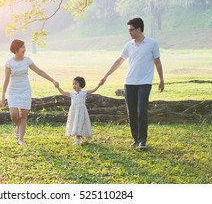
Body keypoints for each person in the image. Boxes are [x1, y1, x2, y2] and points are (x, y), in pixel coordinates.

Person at [100, 17, 164, 150]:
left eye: (131, 30)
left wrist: (161, 79)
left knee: (142, 110)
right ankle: (136, 139)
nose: (129, 32)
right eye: (129, 30)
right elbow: (119, 61)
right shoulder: (129, 45)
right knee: (132, 112)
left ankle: (143, 140)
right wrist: (106, 76)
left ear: (139, 29)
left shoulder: (152, 43)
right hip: (129, 82)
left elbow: (157, 62)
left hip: (145, 82)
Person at [0, 39, 59, 146]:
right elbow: (6, 79)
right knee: (13, 114)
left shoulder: (27, 60)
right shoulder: (9, 62)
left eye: (24, 47)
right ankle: (18, 126)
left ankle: (21, 139)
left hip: (25, 90)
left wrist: (53, 80)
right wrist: (3, 95)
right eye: (22, 47)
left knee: (23, 115)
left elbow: (39, 71)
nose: (24, 49)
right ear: (16, 49)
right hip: (13, 91)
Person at [56, 76, 101, 145]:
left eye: (76, 84)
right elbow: (63, 93)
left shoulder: (84, 93)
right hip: (74, 112)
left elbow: (93, 90)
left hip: (81, 112)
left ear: (81, 84)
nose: (74, 86)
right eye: (73, 84)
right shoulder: (72, 93)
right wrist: (58, 87)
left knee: (80, 123)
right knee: (75, 123)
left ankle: (78, 138)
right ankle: (76, 137)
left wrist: (99, 85)